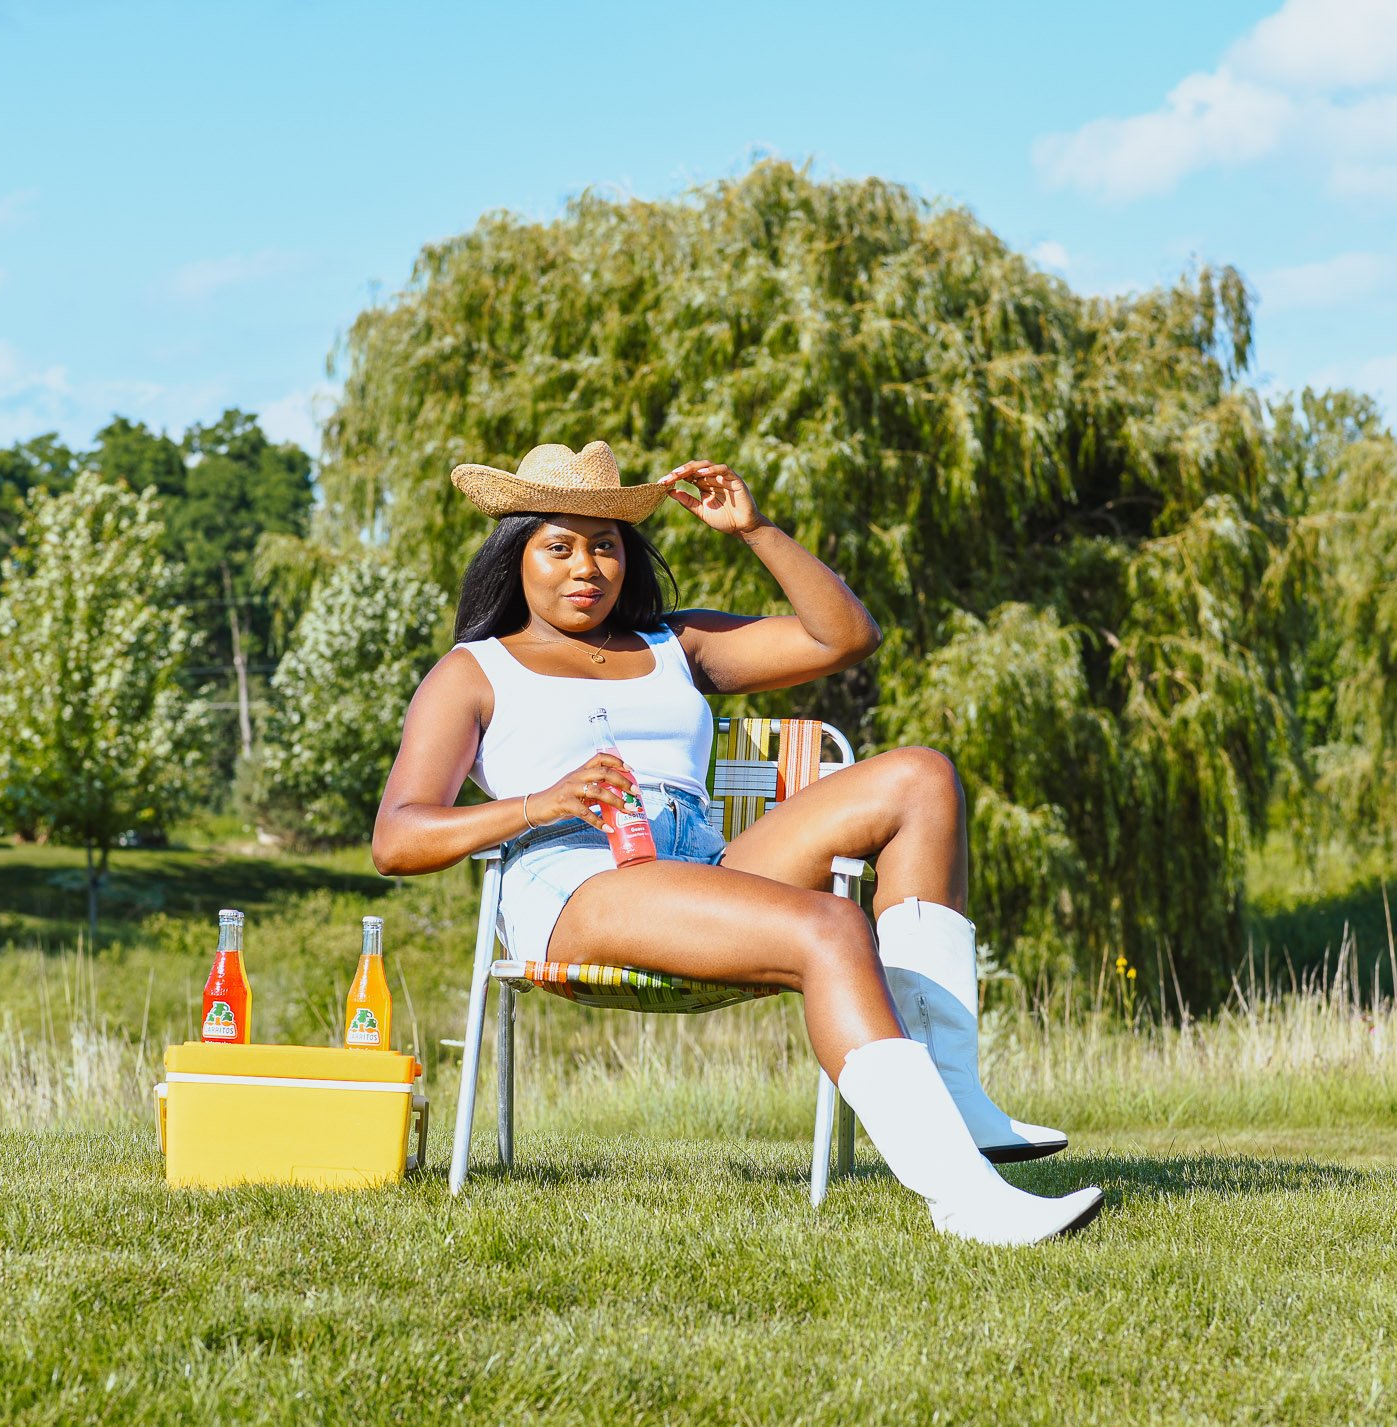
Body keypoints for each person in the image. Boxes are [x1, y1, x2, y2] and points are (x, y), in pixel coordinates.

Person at [372, 440, 1101, 1245]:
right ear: (515, 557)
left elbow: (844, 638)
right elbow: (398, 839)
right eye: (560, 546)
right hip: (578, 877)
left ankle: (956, 1093)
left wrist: (754, 531)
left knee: (921, 777)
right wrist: (536, 804)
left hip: (701, 866)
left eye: (606, 546)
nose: (587, 567)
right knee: (829, 924)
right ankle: (970, 1201)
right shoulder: (475, 671)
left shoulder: (671, 646)